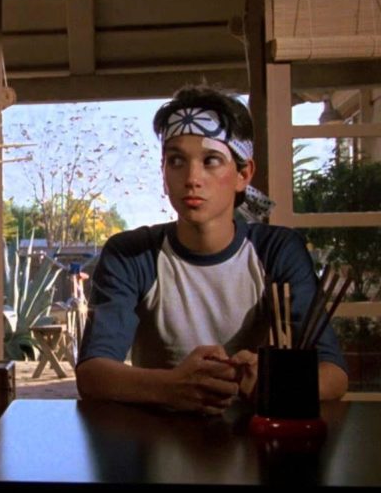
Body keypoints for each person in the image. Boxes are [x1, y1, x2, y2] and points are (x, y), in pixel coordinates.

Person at [75, 84, 348, 415]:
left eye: (211, 160)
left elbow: (333, 375)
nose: (192, 178)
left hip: (256, 437)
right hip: (156, 437)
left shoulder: (276, 250)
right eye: (176, 160)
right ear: (164, 174)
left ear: (243, 174)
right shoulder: (133, 253)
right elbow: (92, 374)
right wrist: (171, 387)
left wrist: (272, 381)